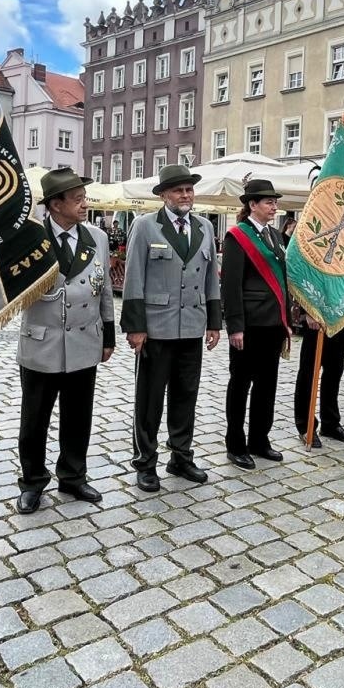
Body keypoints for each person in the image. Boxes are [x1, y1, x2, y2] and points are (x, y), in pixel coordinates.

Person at [16, 169, 114, 510]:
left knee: (78, 416)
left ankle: (73, 476)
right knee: (35, 420)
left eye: (84, 198)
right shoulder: (31, 238)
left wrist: (108, 334)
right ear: (56, 205)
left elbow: (104, 288)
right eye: (77, 199)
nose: (84, 204)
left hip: (84, 341)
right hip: (41, 342)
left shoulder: (97, 237)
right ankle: (32, 482)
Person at [122, 164, 222, 493]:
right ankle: (145, 462)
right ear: (164, 195)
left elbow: (211, 278)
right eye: (178, 190)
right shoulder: (145, 226)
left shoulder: (204, 226)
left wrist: (214, 322)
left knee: (185, 396)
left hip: (192, 326)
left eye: (189, 190)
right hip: (156, 328)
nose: (185, 195)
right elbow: (133, 277)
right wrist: (135, 327)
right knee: (149, 400)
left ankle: (181, 456)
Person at [222, 179, 289, 468]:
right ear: (252, 205)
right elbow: (231, 286)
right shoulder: (237, 236)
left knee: (267, 385)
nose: (274, 206)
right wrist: (235, 326)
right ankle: (236, 444)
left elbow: (282, 280)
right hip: (249, 325)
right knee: (240, 385)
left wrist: (286, 319)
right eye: (268, 202)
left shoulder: (275, 236)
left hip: (273, 324)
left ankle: (260, 439)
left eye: (275, 202)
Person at [293, 304, 344, 448]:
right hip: (317, 314)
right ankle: (305, 426)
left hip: (341, 315)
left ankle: (330, 423)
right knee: (308, 373)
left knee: (334, 371)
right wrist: (308, 311)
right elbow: (302, 287)